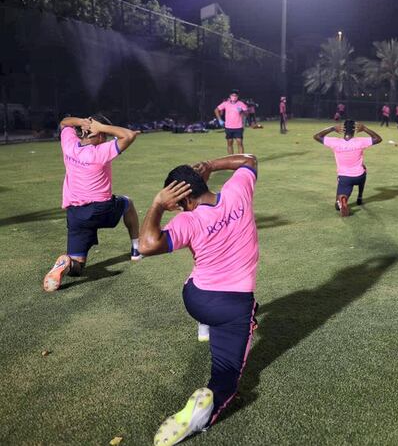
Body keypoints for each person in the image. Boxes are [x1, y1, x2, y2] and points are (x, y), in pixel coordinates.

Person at [138, 153, 259, 445]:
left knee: (196, 278)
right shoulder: (237, 190)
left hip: (196, 298)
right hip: (234, 306)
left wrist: (156, 205)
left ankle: (206, 324)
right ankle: (207, 408)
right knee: (226, 376)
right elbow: (250, 160)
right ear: (203, 182)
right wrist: (212, 165)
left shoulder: (188, 220)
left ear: (183, 201)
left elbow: (146, 245)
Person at [43, 115, 141, 292]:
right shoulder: (99, 152)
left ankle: (66, 264)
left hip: (75, 215)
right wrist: (102, 126)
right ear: (101, 134)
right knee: (128, 203)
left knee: (78, 267)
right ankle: (136, 250)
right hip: (100, 210)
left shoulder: (69, 145)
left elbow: (64, 122)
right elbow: (128, 136)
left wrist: (81, 122)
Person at [313, 120, 382, 217]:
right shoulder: (360, 141)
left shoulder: (335, 142)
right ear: (355, 130)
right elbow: (378, 139)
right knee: (364, 169)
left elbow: (316, 136)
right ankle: (359, 196)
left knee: (337, 205)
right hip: (359, 176)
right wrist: (365, 129)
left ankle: (343, 200)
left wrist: (332, 128)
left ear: (343, 130)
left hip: (345, 178)